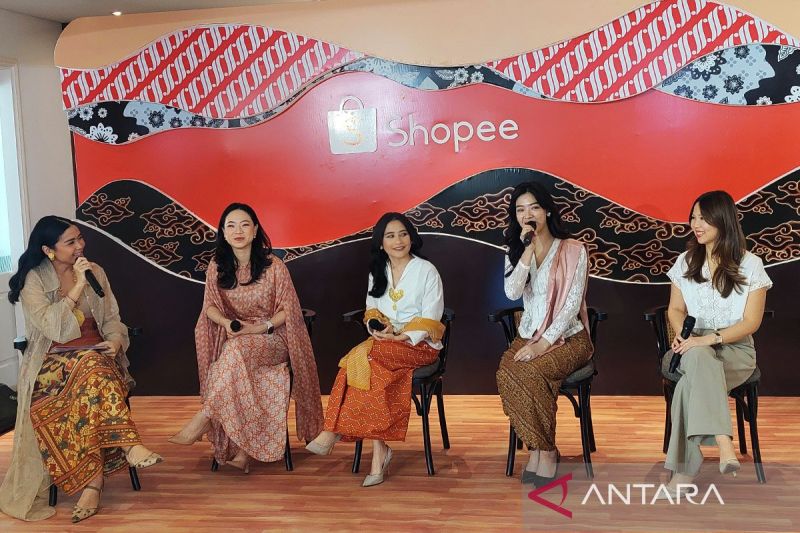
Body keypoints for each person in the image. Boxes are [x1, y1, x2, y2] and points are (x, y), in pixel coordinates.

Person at [0, 216, 162, 523]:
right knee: (92, 370)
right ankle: (127, 447)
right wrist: (76, 286)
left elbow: (112, 317)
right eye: (71, 242)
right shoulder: (34, 279)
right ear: (48, 249)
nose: (80, 246)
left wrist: (115, 341)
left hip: (97, 357)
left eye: (80, 238)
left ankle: (93, 485)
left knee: (92, 370)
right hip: (51, 363)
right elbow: (54, 329)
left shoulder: (96, 271)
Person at [169, 203, 323, 473]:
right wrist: (227, 323)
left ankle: (206, 416)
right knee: (237, 363)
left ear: (255, 231)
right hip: (236, 338)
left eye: (244, 225)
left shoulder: (274, 266)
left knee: (234, 352)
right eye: (231, 226)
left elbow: (288, 309)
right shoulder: (217, 266)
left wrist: (259, 328)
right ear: (224, 233)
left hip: (272, 338)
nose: (238, 231)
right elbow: (210, 307)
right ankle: (243, 452)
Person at [305, 213, 444, 487]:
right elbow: (371, 311)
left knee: (359, 359)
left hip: (420, 346)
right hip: (384, 347)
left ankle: (332, 430)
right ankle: (379, 456)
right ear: (381, 243)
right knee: (372, 371)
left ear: (411, 237)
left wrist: (401, 335)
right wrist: (377, 327)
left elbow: (432, 317)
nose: (398, 241)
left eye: (403, 234)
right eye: (390, 236)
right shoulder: (377, 271)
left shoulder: (427, 270)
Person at [661, 190, 770, 494]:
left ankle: (683, 474)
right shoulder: (685, 261)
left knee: (687, 385)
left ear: (723, 220)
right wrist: (683, 334)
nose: (696, 224)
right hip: (692, 345)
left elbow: (751, 323)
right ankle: (724, 443)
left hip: (736, 349)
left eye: (703, 218)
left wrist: (710, 339)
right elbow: (675, 309)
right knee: (698, 357)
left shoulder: (751, 264)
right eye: (693, 217)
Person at [495, 182, 592, 487]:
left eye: (534, 207)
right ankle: (541, 447)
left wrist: (544, 345)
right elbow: (512, 293)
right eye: (520, 209)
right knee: (507, 373)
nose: (528, 214)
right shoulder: (514, 251)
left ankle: (544, 452)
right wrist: (526, 251)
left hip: (570, 338)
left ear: (547, 211)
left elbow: (571, 305)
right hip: (528, 335)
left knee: (531, 372)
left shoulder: (574, 250)